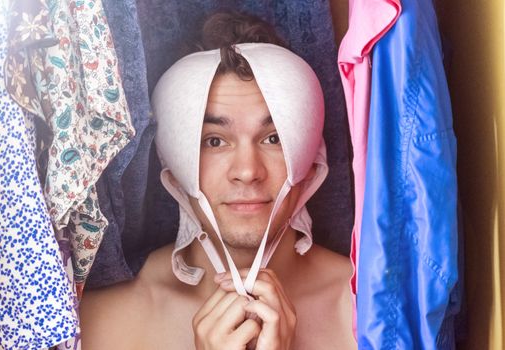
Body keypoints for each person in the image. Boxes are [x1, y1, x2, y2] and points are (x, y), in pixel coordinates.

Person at [80, 12, 355, 350]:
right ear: (174, 172)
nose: (247, 170)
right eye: (214, 141)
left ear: (312, 164)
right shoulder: (103, 324)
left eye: (273, 138)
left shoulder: (369, 309)